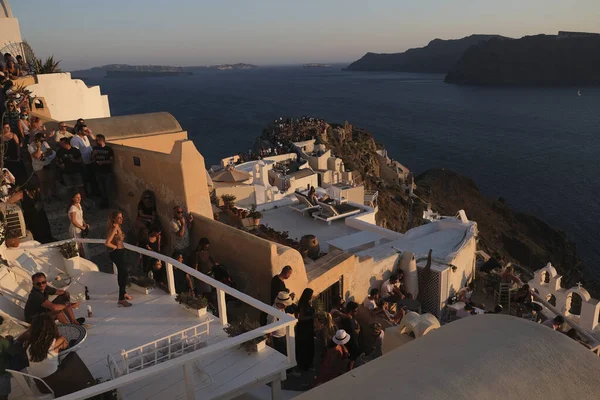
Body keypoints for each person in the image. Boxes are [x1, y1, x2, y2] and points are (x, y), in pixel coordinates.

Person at [20, 315, 95, 397]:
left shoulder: (29, 344)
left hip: (41, 384)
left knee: (62, 362)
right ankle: (88, 383)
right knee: (72, 356)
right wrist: (57, 334)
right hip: (55, 385)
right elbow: (66, 346)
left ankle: (87, 383)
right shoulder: (55, 342)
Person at [105, 211, 133, 307]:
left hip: (121, 252)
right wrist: (115, 247)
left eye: (121, 217)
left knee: (122, 273)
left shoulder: (117, 227)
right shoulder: (114, 228)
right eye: (119, 217)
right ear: (114, 219)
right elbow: (107, 242)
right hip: (117, 253)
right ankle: (121, 298)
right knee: (123, 273)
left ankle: (123, 292)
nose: (121, 219)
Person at [28, 132, 56, 200]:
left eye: (43, 140)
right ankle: (44, 195)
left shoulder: (44, 143)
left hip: (46, 163)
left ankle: (53, 194)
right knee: (43, 181)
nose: (42, 141)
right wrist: (38, 147)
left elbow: (50, 151)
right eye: (40, 140)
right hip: (38, 166)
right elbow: (37, 156)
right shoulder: (31, 147)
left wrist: (44, 154)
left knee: (51, 179)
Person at [70, 126, 96, 196]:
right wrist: (80, 162)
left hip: (90, 161)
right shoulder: (75, 140)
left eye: (87, 130)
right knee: (84, 180)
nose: (86, 132)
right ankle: (86, 195)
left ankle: (93, 193)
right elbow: (76, 152)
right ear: (79, 131)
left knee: (92, 178)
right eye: (85, 131)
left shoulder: (86, 137)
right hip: (83, 163)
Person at [295, 288, 315, 371]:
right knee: (305, 347)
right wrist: (311, 317)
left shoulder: (305, 303)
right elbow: (300, 318)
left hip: (307, 328)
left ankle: (307, 364)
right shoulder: (304, 304)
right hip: (304, 329)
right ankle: (305, 365)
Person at [92, 134, 114, 207]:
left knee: (108, 188)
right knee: (101, 188)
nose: (96, 141)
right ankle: (104, 202)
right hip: (98, 171)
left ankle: (109, 203)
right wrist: (93, 154)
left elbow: (111, 161)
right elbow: (92, 159)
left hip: (107, 171)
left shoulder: (108, 149)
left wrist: (103, 162)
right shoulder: (95, 148)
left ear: (102, 140)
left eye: (97, 140)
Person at [339, 301, 361, 371]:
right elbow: (352, 331)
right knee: (354, 354)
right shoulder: (348, 319)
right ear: (351, 310)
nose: (357, 312)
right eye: (355, 311)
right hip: (351, 340)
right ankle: (350, 369)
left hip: (351, 339)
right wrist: (357, 330)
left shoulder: (350, 317)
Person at [67, 191, 89, 258]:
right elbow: (74, 220)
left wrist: (85, 224)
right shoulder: (73, 208)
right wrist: (81, 227)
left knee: (82, 246)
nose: (79, 199)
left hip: (80, 228)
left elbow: (80, 217)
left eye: (80, 197)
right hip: (75, 229)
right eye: (77, 197)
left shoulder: (79, 205)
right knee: (77, 247)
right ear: (73, 198)